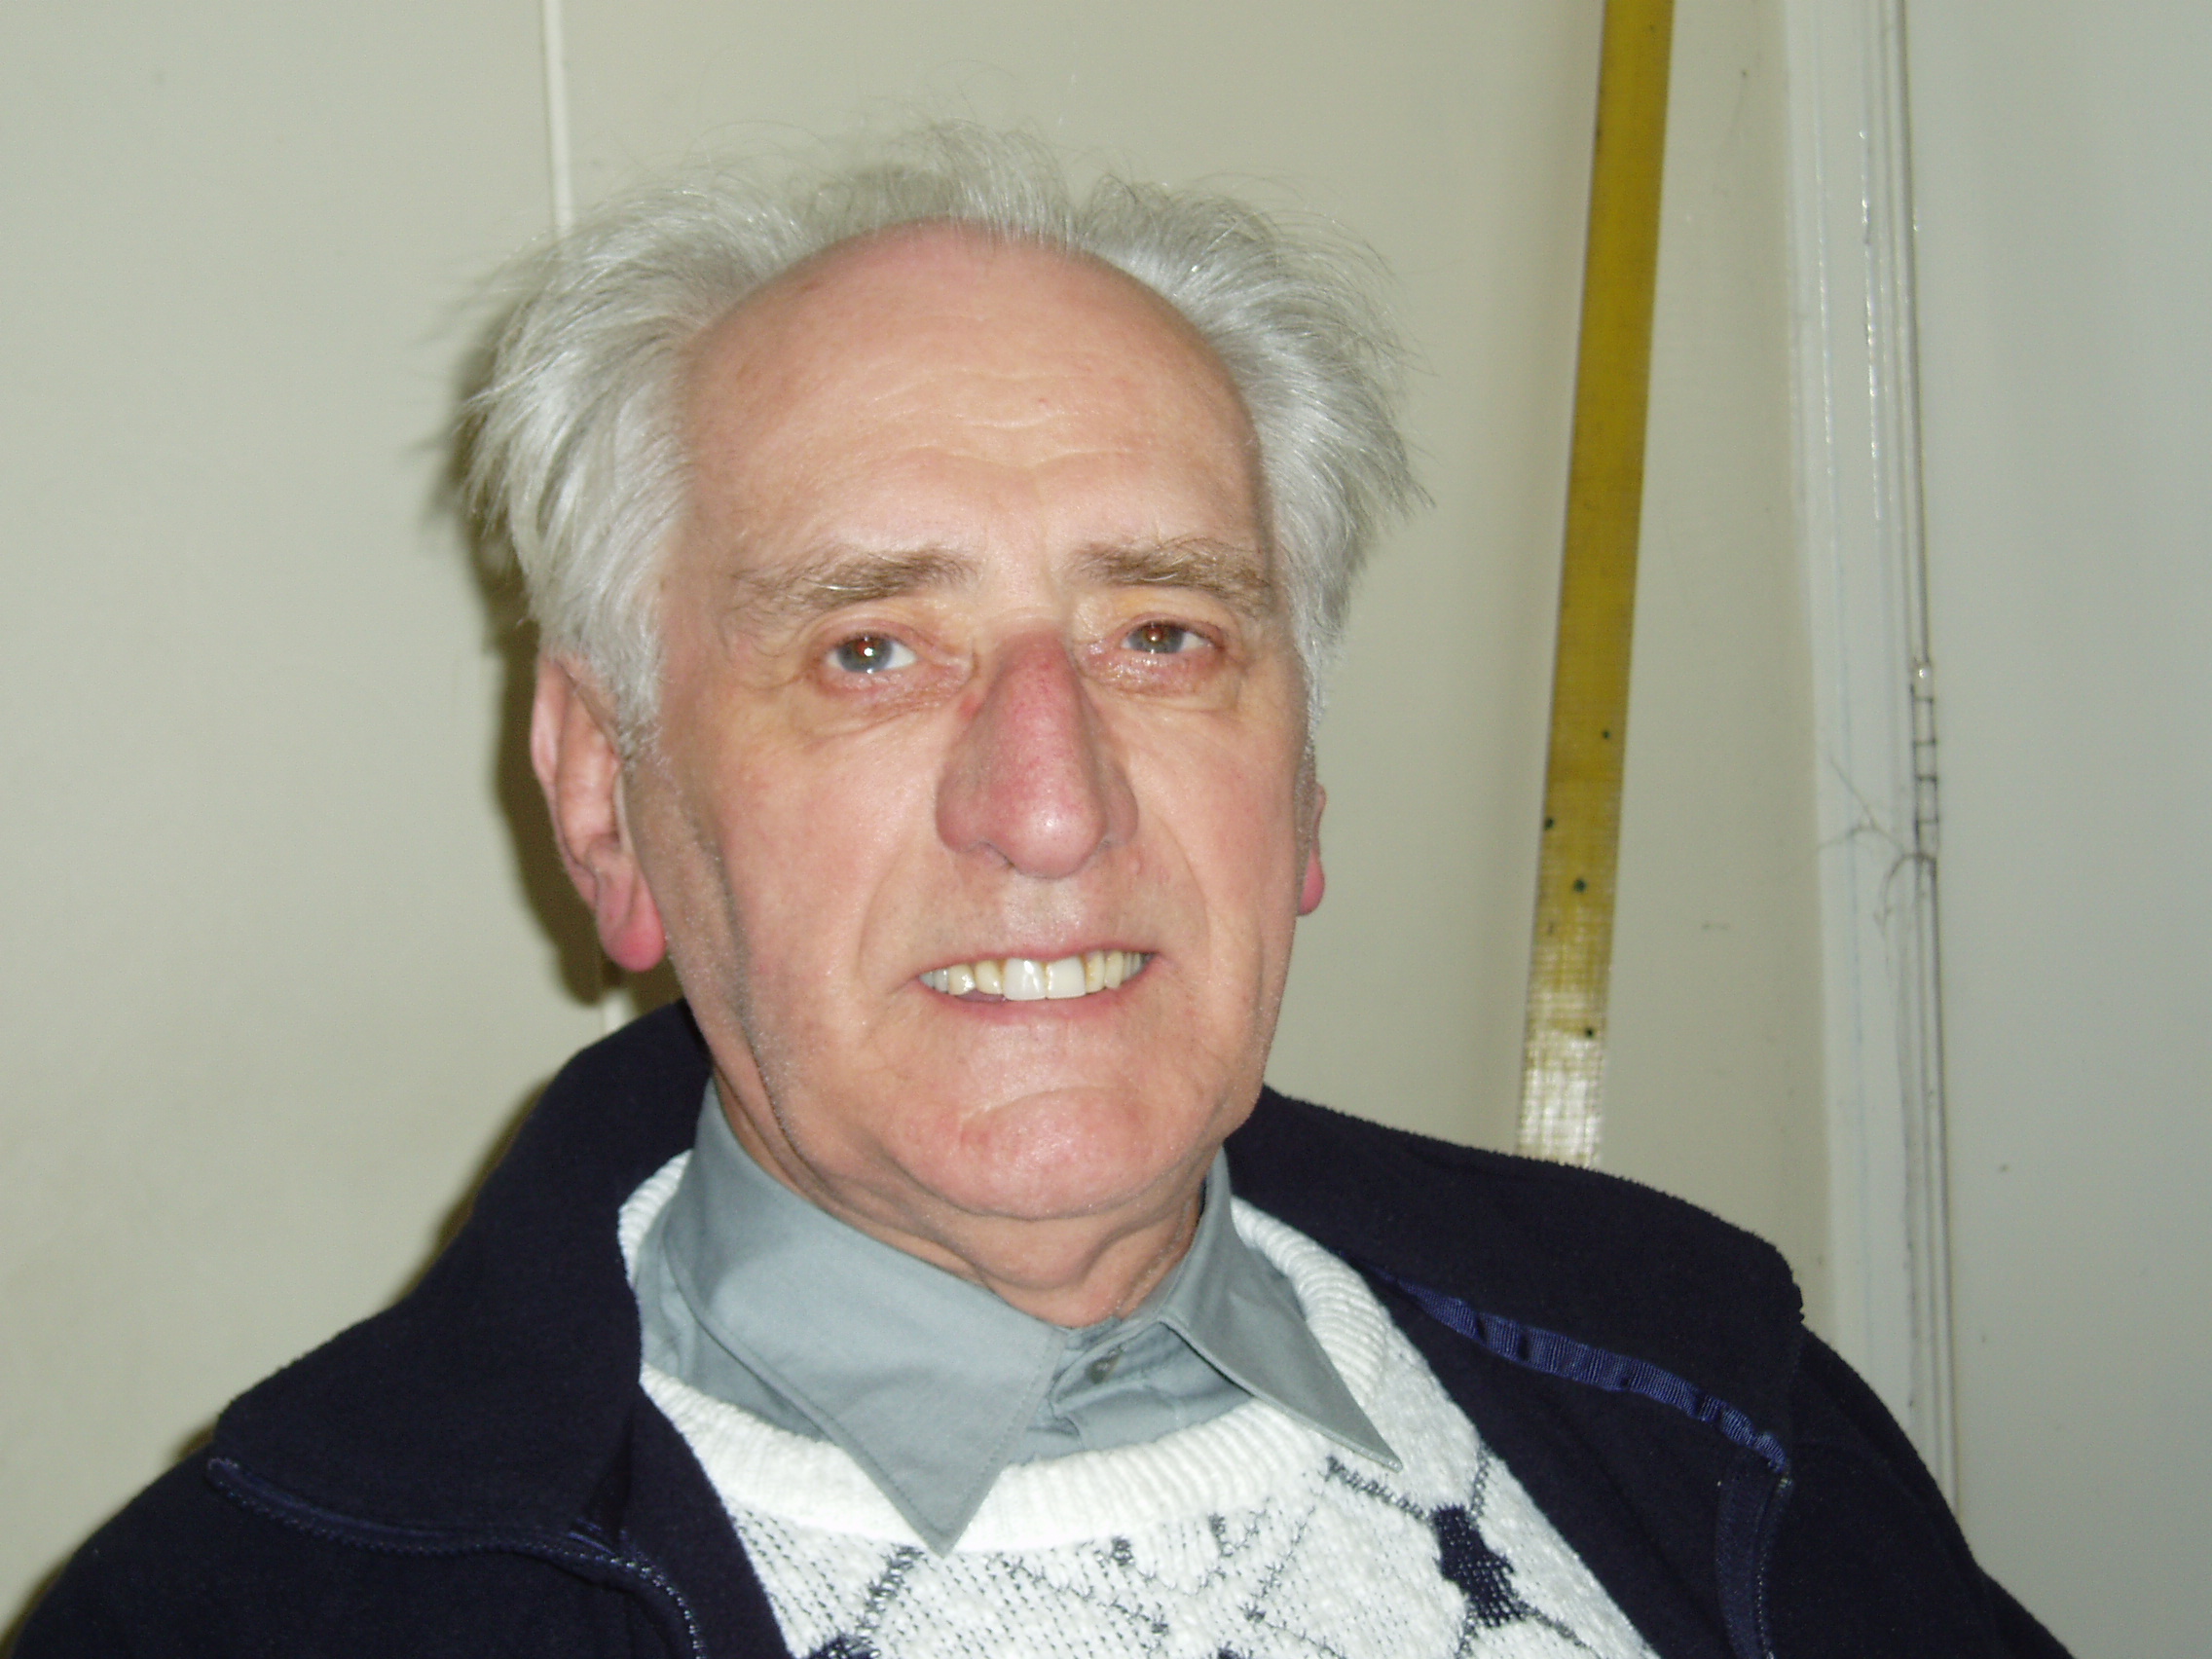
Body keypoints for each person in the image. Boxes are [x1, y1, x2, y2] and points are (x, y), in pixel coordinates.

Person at [18, 126, 2066, 1659]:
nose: (1051, 807)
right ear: (603, 797)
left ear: (1303, 786)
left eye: (1162, 636)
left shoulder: (1705, 1380)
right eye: (869, 651)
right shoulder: (250, 1617)